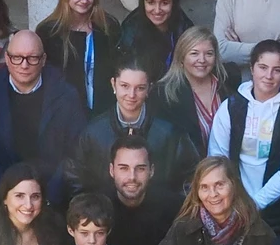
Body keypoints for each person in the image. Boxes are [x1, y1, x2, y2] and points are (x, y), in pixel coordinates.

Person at [208, 40, 280, 235]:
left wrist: (257, 202)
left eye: (277, 70)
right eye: (263, 67)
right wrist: (235, 200)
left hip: (279, 214)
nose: (269, 76)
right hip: (232, 205)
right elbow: (217, 156)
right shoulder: (231, 106)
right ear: (252, 68)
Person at [0, 29, 87, 194]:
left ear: (43, 60)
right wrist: (8, 192)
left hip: (55, 194)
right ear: (7, 59)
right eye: (17, 58)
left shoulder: (66, 96)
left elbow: (76, 150)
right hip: (3, 196)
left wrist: (52, 192)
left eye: (32, 58)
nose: (24, 65)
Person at [63, 62, 197, 202]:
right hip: (106, 212)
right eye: (125, 86)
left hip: (160, 212)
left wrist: (172, 206)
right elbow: (75, 175)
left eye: (140, 88)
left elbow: (192, 175)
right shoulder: (93, 132)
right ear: (114, 84)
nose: (131, 95)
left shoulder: (170, 133)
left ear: (149, 89)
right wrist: (92, 208)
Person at [35, 0, 120, 117]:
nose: (84, 0)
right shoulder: (49, 32)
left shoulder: (108, 26)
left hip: (104, 111)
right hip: (65, 112)